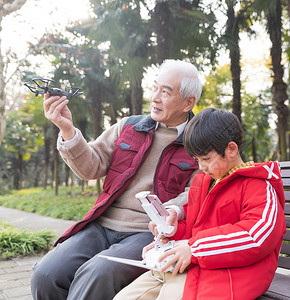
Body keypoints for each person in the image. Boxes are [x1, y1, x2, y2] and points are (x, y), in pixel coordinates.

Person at [31, 59, 202, 300]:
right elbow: (91, 166)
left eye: (166, 92)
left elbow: (197, 191)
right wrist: (67, 129)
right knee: (46, 274)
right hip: (101, 224)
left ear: (188, 103)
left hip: (148, 233)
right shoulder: (129, 127)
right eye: (155, 88)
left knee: (96, 274)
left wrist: (174, 209)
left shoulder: (199, 142)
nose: (155, 97)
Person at [114, 107, 286, 300]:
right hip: (192, 265)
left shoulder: (259, 186)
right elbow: (195, 228)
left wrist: (194, 249)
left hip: (231, 274)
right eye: (197, 160)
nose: (201, 167)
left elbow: (256, 236)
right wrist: (169, 235)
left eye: (206, 159)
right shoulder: (204, 182)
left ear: (231, 149)